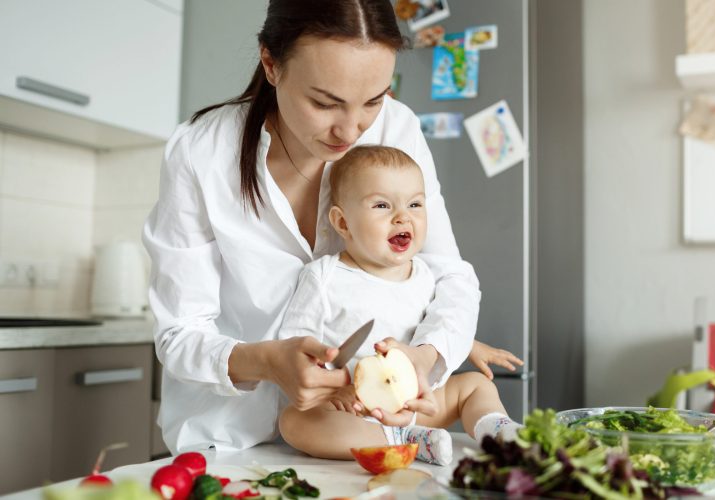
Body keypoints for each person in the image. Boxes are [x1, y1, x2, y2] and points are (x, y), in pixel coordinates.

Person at [143, 0, 485, 454]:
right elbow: (179, 333)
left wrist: (426, 357)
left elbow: (449, 276)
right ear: (271, 63)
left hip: (366, 433)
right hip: (227, 441)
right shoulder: (201, 150)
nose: (351, 130)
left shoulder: (396, 128)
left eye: (374, 101)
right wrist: (265, 361)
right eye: (325, 102)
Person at [278, 145, 523, 465]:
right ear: (342, 222)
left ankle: (500, 432)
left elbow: (429, 322)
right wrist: (331, 390)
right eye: (382, 205)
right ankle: (405, 441)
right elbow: (297, 345)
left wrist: (469, 345)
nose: (402, 216)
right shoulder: (324, 277)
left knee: (475, 385)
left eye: (415, 204)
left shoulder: (426, 274)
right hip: (358, 410)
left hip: (420, 404)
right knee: (294, 422)